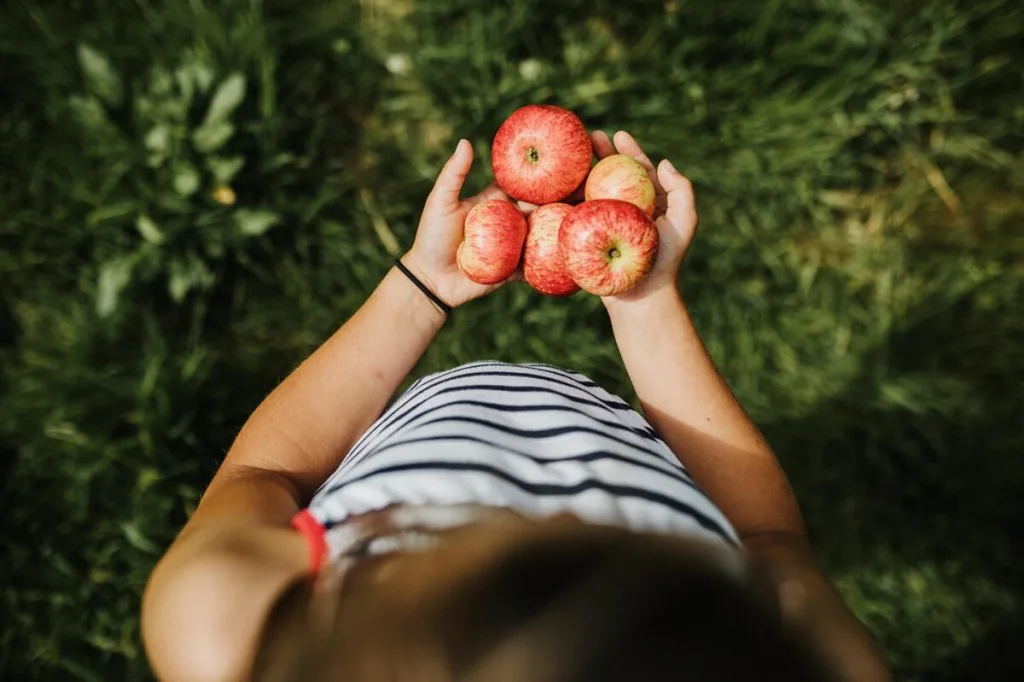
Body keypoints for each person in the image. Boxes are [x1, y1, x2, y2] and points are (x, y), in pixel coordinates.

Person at [141, 130, 891, 682]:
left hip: (437, 416)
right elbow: (766, 536)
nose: (551, 511)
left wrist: (420, 289)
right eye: (598, 533)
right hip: (614, 428)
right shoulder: (803, 655)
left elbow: (265, 472)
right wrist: (647, 305)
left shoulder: (232, 627)